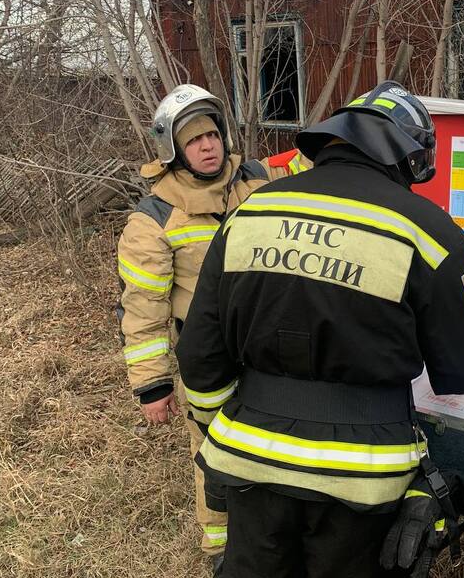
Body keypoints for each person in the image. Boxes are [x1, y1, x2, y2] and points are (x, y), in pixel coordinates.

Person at [174, 81, 464, 578]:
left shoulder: (250, 212)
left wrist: (221, 425)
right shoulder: (429, 231)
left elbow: (199, 352)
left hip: (250, 463)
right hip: (363, 482)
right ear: (408, 156)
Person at [116, 84, 310, 575]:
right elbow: (143, 309)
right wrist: (153, 386)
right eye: (194, 140)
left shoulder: (257, 178)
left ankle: (281, 534)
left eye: (213, 135)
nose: (208, 147)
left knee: (276, 444)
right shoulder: (154, 219)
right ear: (173, 150)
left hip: (270, 348)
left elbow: (317, 168)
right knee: (214, 452)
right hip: (209, 358)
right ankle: (223, 550)